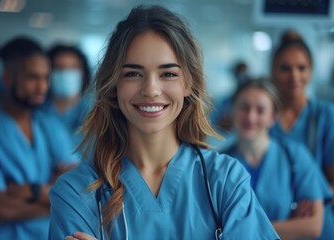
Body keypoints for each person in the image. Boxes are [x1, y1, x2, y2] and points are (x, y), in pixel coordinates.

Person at [49, 5, 279, 240]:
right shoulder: (76, 193)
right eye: (133, 74)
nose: (150, 90)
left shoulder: (225, 181)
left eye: (168, 74)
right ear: (114, 84)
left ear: (188, 83)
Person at [0, 36, 78, 240]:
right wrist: (55, 200)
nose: (42, 87)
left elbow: (76, 191)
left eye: (46, 78)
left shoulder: (51, 126)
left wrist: (34, 192)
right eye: (32, 77)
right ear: (7, 78)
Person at [223, 79, 332, 239]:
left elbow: (313, 225)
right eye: (244, 108)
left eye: (260, 110)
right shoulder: (219, 163)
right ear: (233, 110)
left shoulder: (295, 155)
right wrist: (288, 225)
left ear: (273, 116)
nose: (251, 117)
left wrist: (241, 230)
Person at [269, 31, 334, 239]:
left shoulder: (324, 116)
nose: (294, 76)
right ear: (272, 71)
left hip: (316, 224)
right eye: (285, 68)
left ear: (311, 71)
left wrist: (311, 204)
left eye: (302, 68)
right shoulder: (261, 117)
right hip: (272, 222)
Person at [42, 44, 91, 146]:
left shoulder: (94, 112)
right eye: (59, 68)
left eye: (73, 68)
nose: (66, 73)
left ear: (83, 73)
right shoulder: (36, 113)